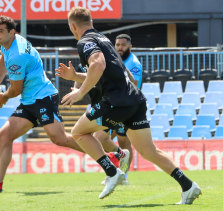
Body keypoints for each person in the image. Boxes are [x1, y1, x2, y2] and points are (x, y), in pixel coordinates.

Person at [58, 7, 201, 204]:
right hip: (135, 99)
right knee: (149, 151)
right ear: (91, 21)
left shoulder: (85, 42)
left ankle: (112, 171)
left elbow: (97, 65)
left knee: (78, 132)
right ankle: (188, 186)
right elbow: (108, 72)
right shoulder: (104, 40)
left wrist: (80, 92)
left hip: (115, 101)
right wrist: (75, 77)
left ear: (73, 26)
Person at [0, 15, 101, 194]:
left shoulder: (17, 55)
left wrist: (2, 98)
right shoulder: (11, 44)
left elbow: (15, 90)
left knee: (59, 138)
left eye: (1, 32)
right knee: (4, 136)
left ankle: (106, 158)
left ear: (11, 32)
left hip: (43, 97)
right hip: (30, 100)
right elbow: (3, 56)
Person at [96, 34, 144, 185]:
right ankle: (114, 172)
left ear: (130, 46)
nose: (120, 48)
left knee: (123, 140)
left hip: (127, 106)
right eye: (117, 45)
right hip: (113, 105)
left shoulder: (133, 63)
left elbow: (134, 83)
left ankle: (124, 175)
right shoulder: (114, 59)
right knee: (101, 138)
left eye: (123, 45)